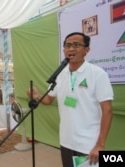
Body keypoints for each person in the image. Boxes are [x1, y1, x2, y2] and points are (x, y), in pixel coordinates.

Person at [27, 32, 113, 167]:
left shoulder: (97, 74)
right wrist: (37, 96)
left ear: (87, 50)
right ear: (64, 50)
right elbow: (49, 100)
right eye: (68, 45)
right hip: (66, 141)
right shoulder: (60, 74)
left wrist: (100, 145)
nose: (71, 49)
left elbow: (107, 111)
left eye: (77, 45)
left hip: (88, 144)